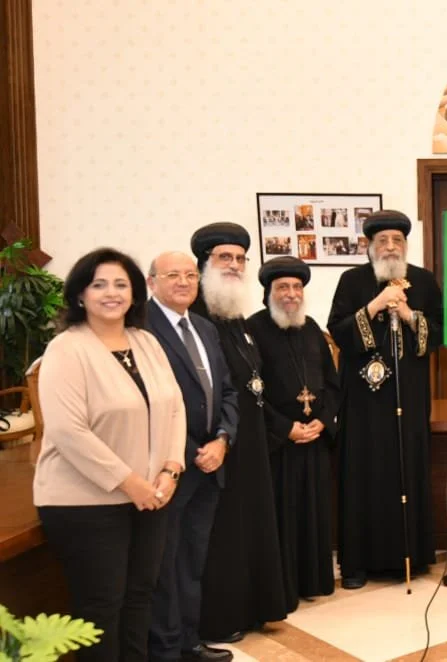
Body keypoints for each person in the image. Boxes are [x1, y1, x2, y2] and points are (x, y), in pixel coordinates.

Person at [33, 248, 186, 662]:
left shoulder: (146, 342)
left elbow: (174, 408)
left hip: (151, 496)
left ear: (135, 293)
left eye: (121, 284)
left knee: (140, 598)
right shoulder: (66, 349)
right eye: (98, 284)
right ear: (80, 294)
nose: (111, 293)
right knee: (100, 607)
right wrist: (130, 482)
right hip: (85, 502)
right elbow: (68, 431)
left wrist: (171, 469)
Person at [328, 209, 442, 589]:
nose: (390, 247)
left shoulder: (423, 281)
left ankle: (409, 557)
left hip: (409, 396)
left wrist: (409, 314)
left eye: (397, 240)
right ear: (369, 246)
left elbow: (438, 333)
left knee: (407, 468)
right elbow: (339, 331)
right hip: (363, 404)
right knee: (363, 474)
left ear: (405, 245)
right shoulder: (352, 281)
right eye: (382, 241)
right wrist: (376, 304)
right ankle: (358, 563)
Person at [189, 223, 289, 643]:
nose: (234, 265)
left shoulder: (236, 318)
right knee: (224, 532)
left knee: (252, 524)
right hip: (217, 441)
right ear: (204, 264)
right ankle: (221, 617)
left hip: (251, 441)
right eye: (224, 258)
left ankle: (254, 608)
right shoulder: (196, 317)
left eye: (240, 258)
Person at [145, 251, 239, 662]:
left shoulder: (203, 327)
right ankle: (164, 650)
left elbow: (228, 390)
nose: (183, 282)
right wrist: (187, 452)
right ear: (152, 282)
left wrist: (222, 439)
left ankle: (189, 642)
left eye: (190, 275)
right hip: (166, 467)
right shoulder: (140, 328)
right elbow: (147, 401)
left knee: (191, 560)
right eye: (172, 275)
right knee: (163, 564)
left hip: (210, 463)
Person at [248, 257, 341, 607]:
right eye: (283, 287)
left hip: (314, 441)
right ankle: (283, 589)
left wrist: (324, 420)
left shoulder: (312, 328)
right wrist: (285, 428)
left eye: (297, 287)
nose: (291, 294)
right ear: (268, 293)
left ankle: (312, 582)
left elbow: (332, 384)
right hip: (278, 445)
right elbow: (250, 391)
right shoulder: (253, 330)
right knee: (282, 518)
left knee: (314, 515)